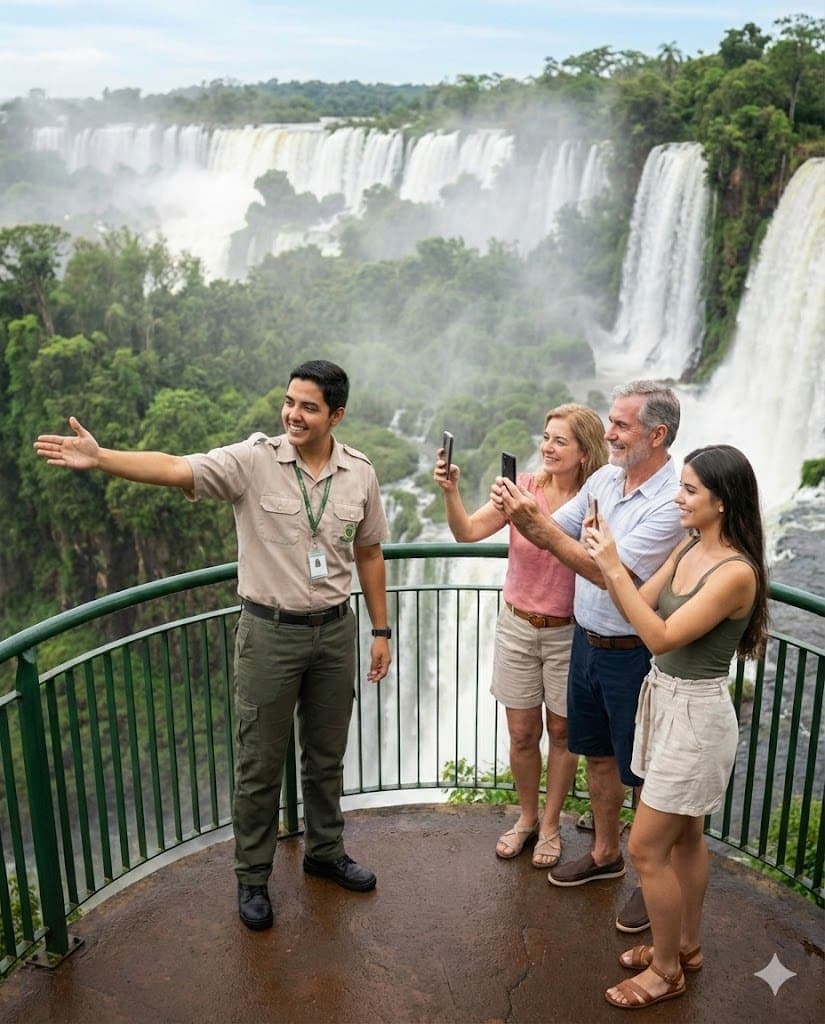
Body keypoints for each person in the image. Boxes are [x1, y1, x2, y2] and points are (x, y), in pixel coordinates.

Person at [34, 359, 392, 932]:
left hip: (335, 632)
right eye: (289, 402)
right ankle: (252, 877)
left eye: (308, 407)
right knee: (259, 765)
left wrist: (380, 631)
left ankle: (326, 853)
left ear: (336, 415)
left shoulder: (360, 474)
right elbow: (176, 468)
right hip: (269, 634)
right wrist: (102, 458)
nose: (293, 414)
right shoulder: (253, 460)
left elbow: (370, 553)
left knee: (325, 758)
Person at [492, 381, 683, 931]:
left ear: (656, 433)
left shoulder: (671, 501)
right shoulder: (604, 479)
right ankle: (605, 854)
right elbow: (558, 527)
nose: (609, 432)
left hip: (632, 654)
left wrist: (543, 531)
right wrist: (526, 511)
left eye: (620, 425)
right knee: (597, 755)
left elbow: (607, 571)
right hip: (586, 640)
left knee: (643, 770)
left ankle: (655, 881)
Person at [583, 444, 768, 1008]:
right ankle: (686, 946)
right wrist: (608, 561)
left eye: (689, 490)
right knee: (686, 836)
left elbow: (659, 636)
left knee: (645, 850)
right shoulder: (689, 544)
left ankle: (666, 971)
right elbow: (638, 602)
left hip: (697, 716)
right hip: (662, 700)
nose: (678, 497)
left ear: (722, 501)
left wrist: (612, 564)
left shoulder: (736, 573)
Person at [435, 405, 607, 867]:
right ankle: (526, 819)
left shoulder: (597, 499)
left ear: (584, 451)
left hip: (568, 632)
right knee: (522, 733)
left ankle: (551, 825)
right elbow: (467, 532)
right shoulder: (522, 488)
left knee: (564, 731)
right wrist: (451, 492)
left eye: (560, 441)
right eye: (546, 437)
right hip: (517, 625)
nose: (548, 447)